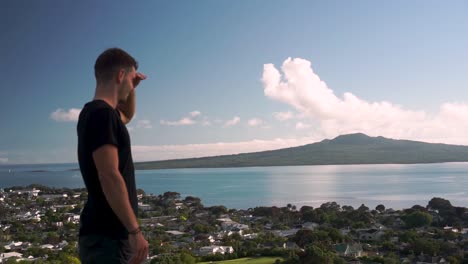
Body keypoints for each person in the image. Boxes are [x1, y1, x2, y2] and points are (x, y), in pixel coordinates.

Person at [77, 48, 149, 264]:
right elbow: (108, 174)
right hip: (110, 239)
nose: (131, 84)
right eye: (130, 78)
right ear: (120, 76)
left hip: (103, 236)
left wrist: (133, 89)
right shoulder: (102, 115)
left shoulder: (94, 113)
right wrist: (135, 232)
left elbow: (126, 115)